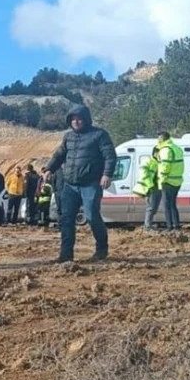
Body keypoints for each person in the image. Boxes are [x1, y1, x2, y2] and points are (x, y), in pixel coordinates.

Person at [45, 105, 117, 263]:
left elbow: (110, 156)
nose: (76, 122)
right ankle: (65, 255)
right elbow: (59, 155)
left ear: (86, 119)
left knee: (91, 216)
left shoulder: (99, 135)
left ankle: (101, 250)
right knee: (66, 219)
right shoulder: (68, 137)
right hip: (70, 185)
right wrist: (49, 169)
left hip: (91, 184)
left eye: (79, 118)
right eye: (73, 119)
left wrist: (107, 174)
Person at [156, 132, 184, 232]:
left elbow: (165, 166)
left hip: (168, 181)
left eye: (159, 138)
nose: (157, 140)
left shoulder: (165, 150)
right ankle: (176, 225)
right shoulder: (177, 148)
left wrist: (161, 180)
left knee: (166, 205)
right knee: (173, 204)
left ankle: (169, 226)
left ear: (162, 138)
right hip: (177, 180)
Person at [134, 150, 162, 231]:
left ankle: (149, 224)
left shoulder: (160, 162)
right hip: (151, 187)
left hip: (158, 187)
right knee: (151, 207)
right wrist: (150, 185)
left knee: (154, 207)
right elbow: (143, 174)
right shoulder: (148, 161)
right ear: (155, 153)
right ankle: (148, 226)